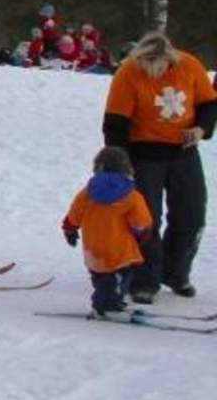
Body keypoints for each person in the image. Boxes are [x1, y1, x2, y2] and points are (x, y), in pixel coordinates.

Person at [101, 32, 216, 301]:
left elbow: (209, 105)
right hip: (143, 154)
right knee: (145, 219)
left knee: (192, 214)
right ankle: (143, 278)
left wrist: (201, 129)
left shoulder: (190, 66)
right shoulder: (128, 72)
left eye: (159, 66)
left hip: (184, 151)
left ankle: (176, 272)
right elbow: (115, 124)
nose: (153, 72)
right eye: (147, 66)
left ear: (169, 60)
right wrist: (121, 164)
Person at [64, 146, 155, 318]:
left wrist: (70, 229)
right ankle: (105, 306)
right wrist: (142, 235)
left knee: (101, 279)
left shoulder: (87, 193)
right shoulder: (131, 195)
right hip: (118, 251)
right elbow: (142, 222)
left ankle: (109, 301)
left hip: (93, 250)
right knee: (118, 279)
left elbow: (74, 215)